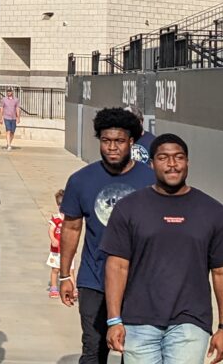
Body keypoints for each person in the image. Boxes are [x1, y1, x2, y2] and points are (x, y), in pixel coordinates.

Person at [102, 133, 223, 364]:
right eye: (163, 158)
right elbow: (117, 266)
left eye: (178, 157)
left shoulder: (213, 211)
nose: (172, 164)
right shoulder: (129, 208)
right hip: (139, 320)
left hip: (191, 322)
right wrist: (114, 320)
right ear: (151, 163)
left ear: (187, 162)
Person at [58, 107, 156, 364]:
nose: (112, 147)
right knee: (93, 351)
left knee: (134, 354)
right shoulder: (80, 180)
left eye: (119, 141)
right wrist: (65, 274)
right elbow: (71, 228)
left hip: (140, 282)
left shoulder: (151, 181)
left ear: (131, 142)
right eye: (106, 141)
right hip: (94, 280)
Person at [48, 189, 65, 299]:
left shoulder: (70, 219)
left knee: (70, 269)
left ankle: (72, 287)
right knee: (55, 269)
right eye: (59, 204)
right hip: (56, 250)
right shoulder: (56, 218)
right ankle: (54, 287)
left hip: (66, 249)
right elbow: (51, 230)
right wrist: (53, 239)